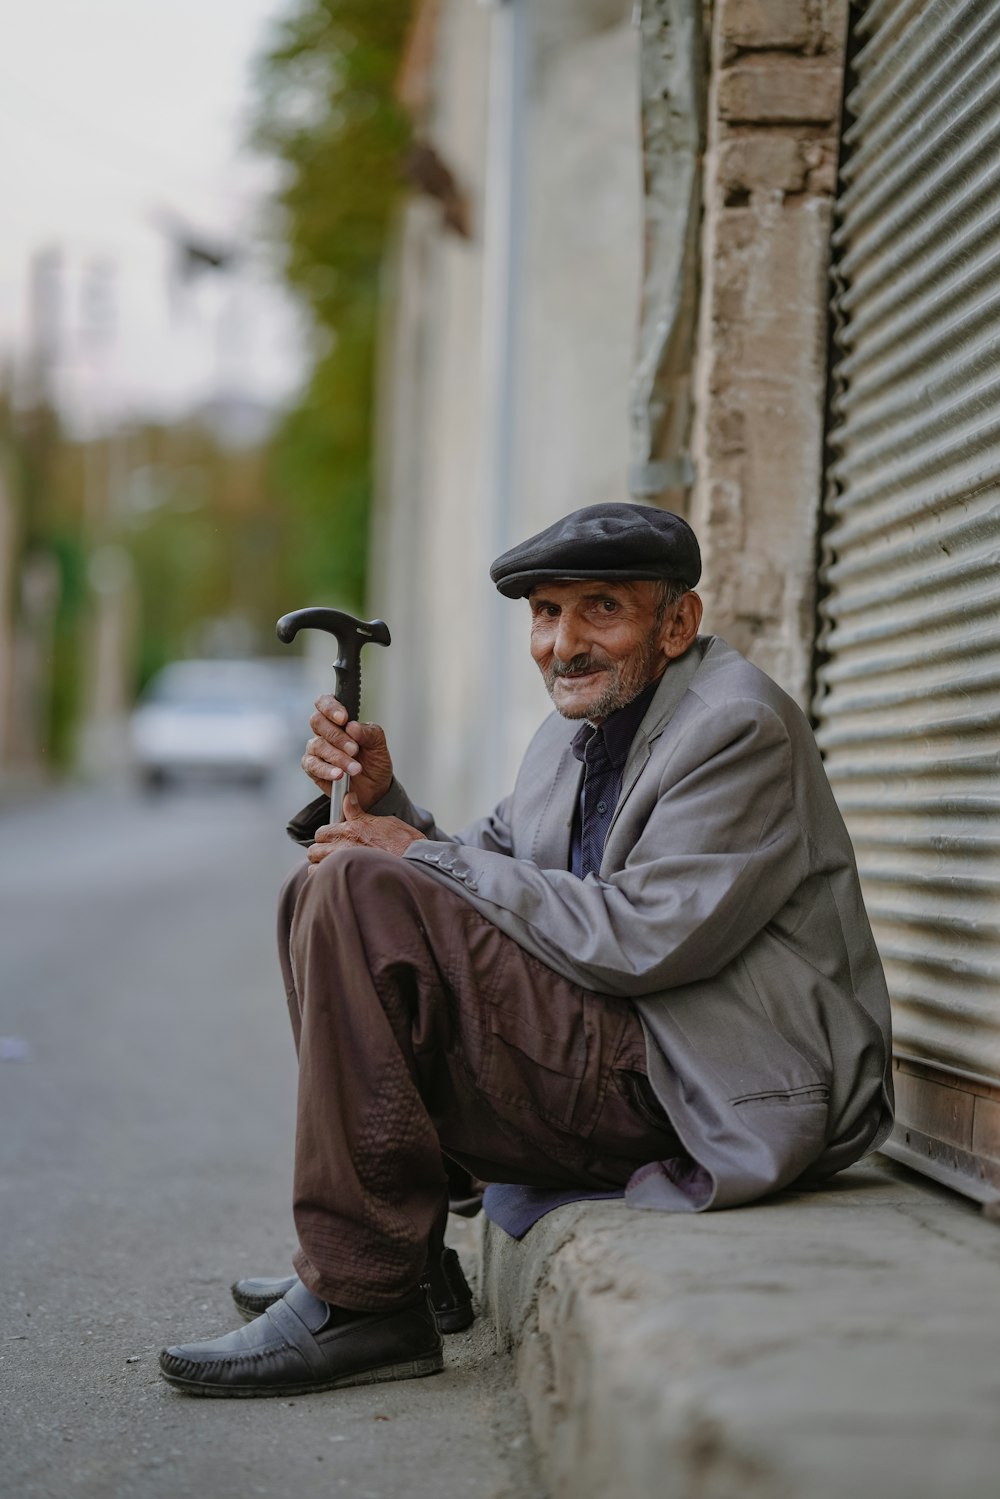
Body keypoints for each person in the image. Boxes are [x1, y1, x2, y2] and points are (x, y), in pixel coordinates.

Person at [159, 502, 893, 1398]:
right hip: (628, 1045)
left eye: (601, 609)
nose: (565, 642)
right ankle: (397, 1262)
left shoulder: (735, 727)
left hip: (709, 1080)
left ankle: (360, 1301)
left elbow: (640, 936)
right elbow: (479, 876)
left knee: (359, 886)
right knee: (326, 880)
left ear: (678, 622)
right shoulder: (573, 733)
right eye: (547, 613)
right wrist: (391, 807)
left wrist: (411, 854)